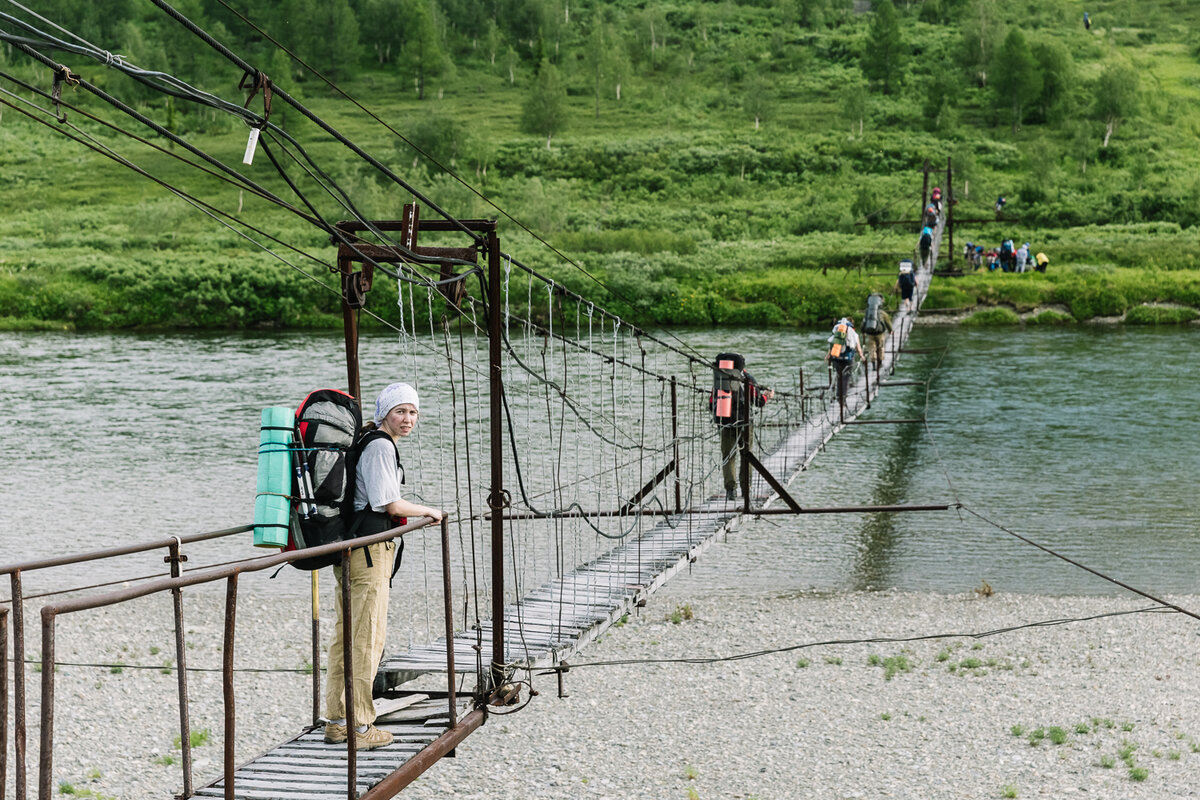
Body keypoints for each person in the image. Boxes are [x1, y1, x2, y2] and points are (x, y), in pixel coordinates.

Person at [324, 382, 444, 749]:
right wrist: (428, 510)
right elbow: (389, 503)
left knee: (347, 635)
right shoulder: (379, 445)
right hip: (369, 553)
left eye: (413, 412)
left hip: (357, 550)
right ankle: (360, 727)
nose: (408, 419)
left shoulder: (370, 442)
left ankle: (338, 720)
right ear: (384, 414)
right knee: (366, 639)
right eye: (400, 412)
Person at [709, 354, 773, 501]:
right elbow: (758, 401)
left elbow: (711, 403)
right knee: (747, 456)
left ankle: (731, 490)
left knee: (728, 456)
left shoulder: (719, 379)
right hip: (745, 423)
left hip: (725, 423)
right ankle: (746, 489)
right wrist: (768, 396)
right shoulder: (748, 379)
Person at [825, 317, 867, 412]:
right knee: (846, 378)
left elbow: (832, 344)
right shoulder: (852, 332)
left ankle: (838, 396)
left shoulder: (837, 330)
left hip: (836, 357)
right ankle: (842, 399)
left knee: (839, 377)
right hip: (848, 359)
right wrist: (862, 357)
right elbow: (858, 347)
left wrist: (828, 355)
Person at [860, 293, 893, 370]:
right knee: (880, 347)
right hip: (880, 333)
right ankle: (880, 364)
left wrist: (863, 331)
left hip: (870, 333)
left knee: (872, 348)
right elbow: (887, 322)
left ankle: (873, 365)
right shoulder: (882, 313)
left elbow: (864, 322)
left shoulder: (868, 312)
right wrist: (890, 330)